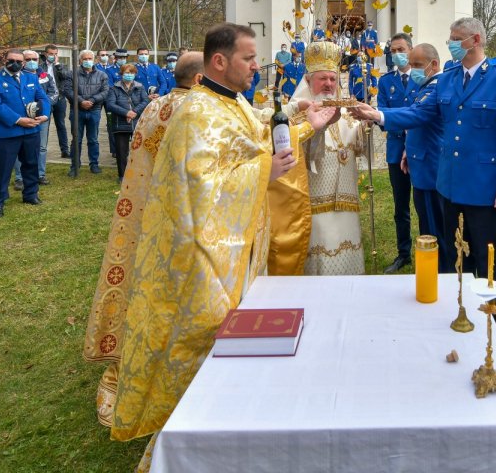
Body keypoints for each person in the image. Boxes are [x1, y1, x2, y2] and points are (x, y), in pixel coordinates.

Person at [110, 24, 334, 459]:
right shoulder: (197, 113)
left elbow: (260, 131)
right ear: (220, 61)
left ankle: (229, 427)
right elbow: (200, 190)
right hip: (201, 255)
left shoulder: (229, 102)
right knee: (205, 339)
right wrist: (263, 172)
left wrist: (306, 119)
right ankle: (191, 445)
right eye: (249, 58)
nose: (256, 66)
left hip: (229, 247)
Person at [353, 17, 496, 282]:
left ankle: (490, 313)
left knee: (485, 250)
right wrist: (378, 114)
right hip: (449, 183)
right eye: (450, 39)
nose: (451, 44)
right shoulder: (448, 80)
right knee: (457, 248)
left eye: (456, 39)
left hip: (483, 185)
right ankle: (459, 304)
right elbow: (418, 113)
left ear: (476, 40)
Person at [85, 52, 204, 429]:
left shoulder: (156, 106)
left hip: (148, 215)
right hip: (186, 218)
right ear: (201, 80)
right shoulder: (197, 112)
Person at [285, 41, 369, 275]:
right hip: (314, 204)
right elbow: (302, 156)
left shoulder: (345, 110)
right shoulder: (297, 114)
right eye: (323, 78)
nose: (329, 84)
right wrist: (318, 129)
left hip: (346, 201)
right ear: (309, 80)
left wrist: (366, 125)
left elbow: (359, 147)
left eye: (333, 79)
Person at [0, 48, 50, 217]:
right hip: (6, 132)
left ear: (24, 63)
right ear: (4, 61)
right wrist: (18, 120)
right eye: (11, 60)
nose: (15, 64)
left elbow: (42, 98)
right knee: (2, 169)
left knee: (31, 164)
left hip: (31, 130)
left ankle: (31, 194)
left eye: (19, 62)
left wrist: (44, 115)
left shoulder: (31, 77)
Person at [402, 43, 449, 269]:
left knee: (435, 229)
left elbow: (415, 115)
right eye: (411, 65)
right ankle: (432, 271)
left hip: (432, 170)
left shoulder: (437, 86)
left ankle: (439, 274)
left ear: (434, 64)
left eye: (418, 65)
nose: (413, 70)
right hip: (421, 166)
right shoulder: (427, 84)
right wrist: (407, 151)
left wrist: (376, 114)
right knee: (426, 224)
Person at [378, 33, 417, 273]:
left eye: (401, 49)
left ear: (411, 50)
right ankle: (404, 253)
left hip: (420, 151)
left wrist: (398, 119)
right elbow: (382, 119)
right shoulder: (386, 81)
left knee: (425, 205)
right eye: (393, 50)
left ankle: (429, 247)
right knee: (400, 207)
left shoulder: (424, 79)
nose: (397, 54)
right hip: (395, 151)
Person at [13, 49, 55, 187]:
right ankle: (19, 178)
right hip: (24, 119)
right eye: (28, 59)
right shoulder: (18, 77)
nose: (31, 62)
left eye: (34, 59)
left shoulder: (45, 75)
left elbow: (53, 93)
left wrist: (42, 109)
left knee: (42, 147)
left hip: (41, 118)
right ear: (23, 62)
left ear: (38, 60)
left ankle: (40, 174)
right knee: (21, 148)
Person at [63, 50, 110, 174]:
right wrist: (81, 101)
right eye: (85, 59)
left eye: (90, 58)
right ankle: (74, 166)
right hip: (77, 110)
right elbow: (67, 90)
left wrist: (93, 100)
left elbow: (105, 91)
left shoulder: (102, 75)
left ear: (94, 60)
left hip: (94, 110)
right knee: (76, 139)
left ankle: (94, 164)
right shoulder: (71, 74)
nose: (87, 61)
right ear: (80, 60)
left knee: (93, 139)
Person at [106, 63, 150, 182]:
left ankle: (139, 173)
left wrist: (134, 112)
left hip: (137, 122)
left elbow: (145, 101)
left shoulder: (140, 87)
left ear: (135, 74)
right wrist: (126, 113)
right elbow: (110, 104)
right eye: (126, 72)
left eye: (131, 73)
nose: (129, 75)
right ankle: (122, 175)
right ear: (121, 74)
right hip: (120, 123)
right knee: (121, 151)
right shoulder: (114, 88)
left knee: (139, 150)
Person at [42, 44, 72, 158]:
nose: (53, 56)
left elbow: (65, 76)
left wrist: (57, 65)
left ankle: (65, 150)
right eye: (51, 54)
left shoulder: (62, 66)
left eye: (55, 54)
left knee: (61, 124)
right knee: (45, 125)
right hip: (46, 100)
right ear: (45, 54)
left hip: (59, 99)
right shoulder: (41, 67)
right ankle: (42, 149)